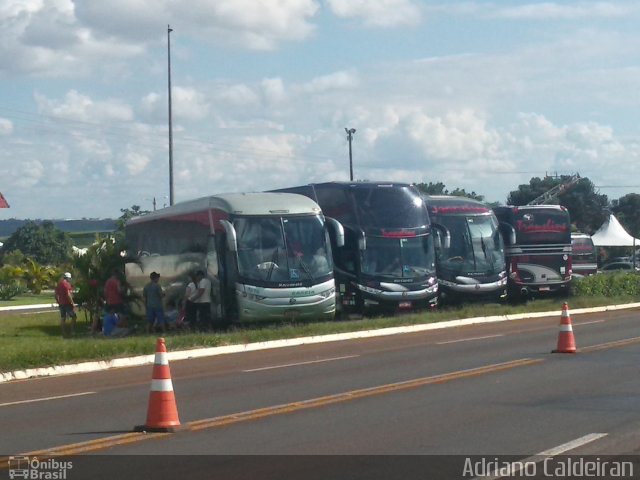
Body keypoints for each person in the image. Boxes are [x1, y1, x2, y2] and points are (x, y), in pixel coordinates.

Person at [55, 272, 77, 337]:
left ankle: (63, 332)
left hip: (61, 304)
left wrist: (58, 301)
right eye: (69, 278)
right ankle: (72, 331)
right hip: (67, 304)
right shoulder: (67, 284)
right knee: (74, 317)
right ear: (68, 278)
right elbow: (68, 294)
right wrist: (72, 303)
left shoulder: (59, 284)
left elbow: (55, 295)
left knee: (63, 318)